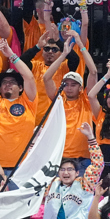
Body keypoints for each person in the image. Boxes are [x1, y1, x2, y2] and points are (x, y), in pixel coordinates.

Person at [0, 39, 37, 171]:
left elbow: (29, 77)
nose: (8, 84)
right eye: (4, 82)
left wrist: (11, 55)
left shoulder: (29, 102)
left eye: (12, 82)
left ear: (21, 88)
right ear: (0, 88)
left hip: (22, 166)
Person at [43, 123, 102, 219]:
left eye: (70, 169)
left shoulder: (84, 185)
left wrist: (91, 138)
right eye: (62, 169)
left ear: (77, 173)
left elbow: (98, 164)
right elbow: (38, 165)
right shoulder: (51, 184)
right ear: (58, 172)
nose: (66, 172)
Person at [42, 34, 96, 165]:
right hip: (59, 157)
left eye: (73, 85)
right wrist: (63, 55)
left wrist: (81, 45)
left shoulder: (86, 100)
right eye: (66, 84)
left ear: (80, 87)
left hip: (83, 158)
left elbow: (93, 72)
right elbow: (46, 78)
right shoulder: (58, 99)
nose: (69, 88)